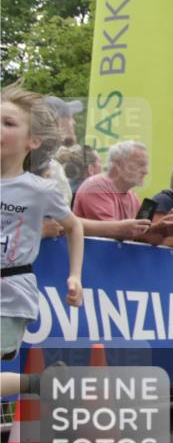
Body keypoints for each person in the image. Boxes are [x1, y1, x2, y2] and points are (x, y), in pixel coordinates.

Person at [1, 83, 83, 397]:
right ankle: (40, 383)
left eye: (8, 123)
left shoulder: (39, 189)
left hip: (9, 294)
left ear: (32, 141)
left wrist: (74, 276)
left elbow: (74, 227)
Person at [72, 140, 173, 243]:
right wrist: (156, 228)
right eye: (141, 165)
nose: (146, 172)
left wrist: (164, 231)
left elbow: (141, 237)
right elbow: (111, 234)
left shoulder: (132, 196)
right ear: (119, 165)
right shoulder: (96, 187)